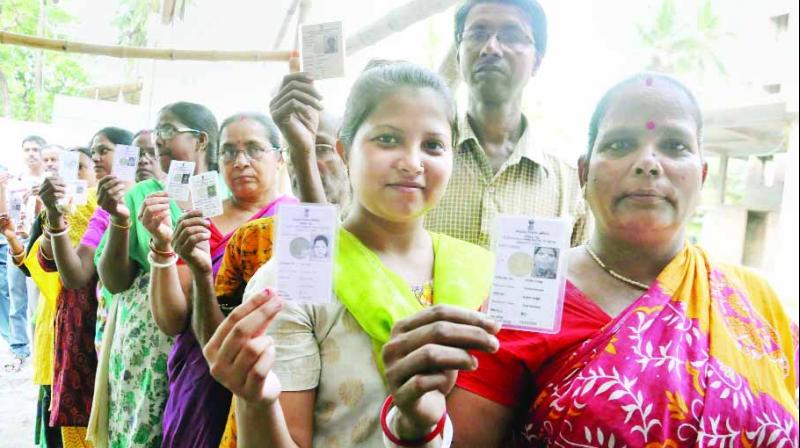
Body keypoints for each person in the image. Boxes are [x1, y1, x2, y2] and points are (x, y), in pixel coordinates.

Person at [379, 73, 799, 447]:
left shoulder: (759, 303)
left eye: (674, 146)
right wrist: (418, 426)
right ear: (583, 173)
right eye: (620, 144)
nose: (649, 163)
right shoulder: (530, 302)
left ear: (702, 175)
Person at [201, 61, 494, 448]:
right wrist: (257, 402)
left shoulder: (480, 274)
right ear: (344, 149)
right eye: (387, 139)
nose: (411, 162)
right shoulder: (293, 282)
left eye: (433, 145)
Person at [141, 112, 296, 448]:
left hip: (277, 378)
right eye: (229, 152)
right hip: (199, 379)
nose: (240, 161)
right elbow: (171, 321)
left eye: (254, 149)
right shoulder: (200, 221)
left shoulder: (298, 221)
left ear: (280, 157)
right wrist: (164, 246)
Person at [89, 102, 219, 448]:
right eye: (156, 131)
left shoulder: (226, 196)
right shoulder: (143, 196)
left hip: (207, 340)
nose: (158, 140)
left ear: (201, 140)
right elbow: (113, 281)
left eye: (167, 131)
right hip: (148, 346)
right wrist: (120, 220)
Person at [424, 0, 589, 249]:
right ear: (458, 55)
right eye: (477, 33)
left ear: (536, 62)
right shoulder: (418, 164)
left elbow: (576, 284)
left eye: (511, 35)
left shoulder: (569, 185)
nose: (491, 47)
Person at [35, 145, 102, 447]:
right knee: (77, 411)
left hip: (103, 312)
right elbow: (46, 261)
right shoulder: (62, 208)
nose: (73, 176)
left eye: (82, 168)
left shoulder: (105, 206)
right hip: (72, 319)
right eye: (68, 168)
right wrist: (54, 213)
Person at [1, 135, 47, 372]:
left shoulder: (50, 181)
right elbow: (5, 212)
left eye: (35, 149)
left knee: (37, 301)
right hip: (17, 240)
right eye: (27, 149)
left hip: (41, 243)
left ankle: (41, 348)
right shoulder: (14, 181)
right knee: (15, 295)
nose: (31, 153)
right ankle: (19, 349)